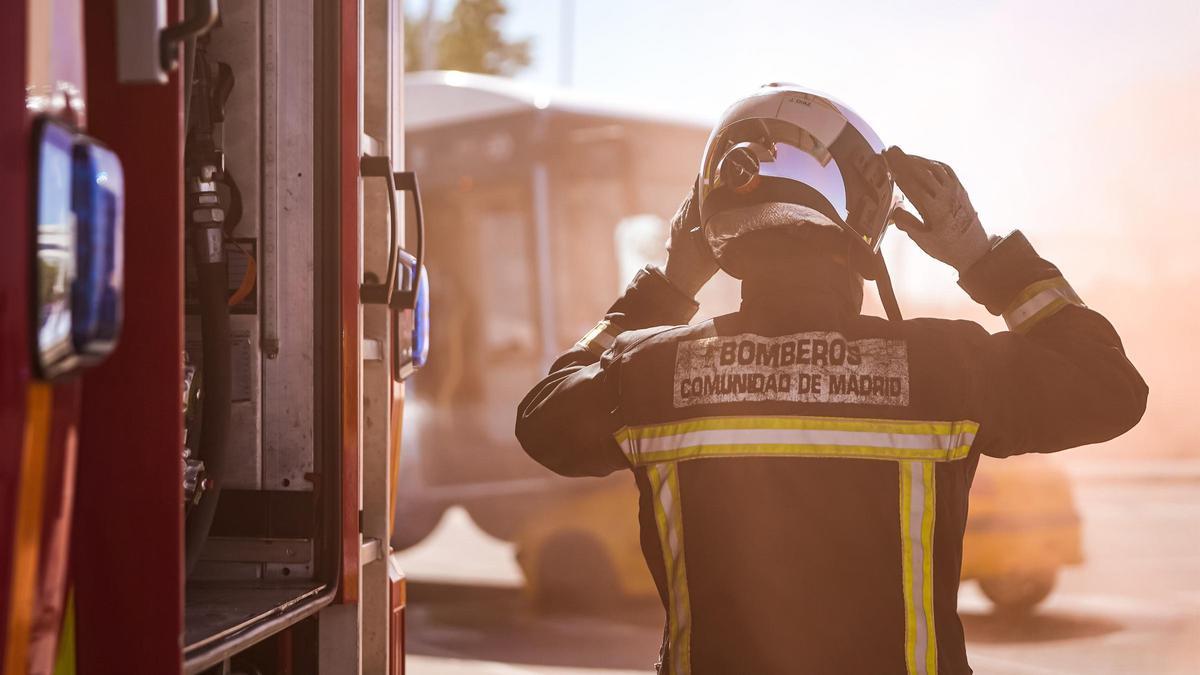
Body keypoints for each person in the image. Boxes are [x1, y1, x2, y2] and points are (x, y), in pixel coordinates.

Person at [514, 83, 1147, 675]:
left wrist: (668, 285)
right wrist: (986, 259)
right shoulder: (946, 366)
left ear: (713, 231)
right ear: (864, 222)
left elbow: (542, 418)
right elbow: (1110, 386)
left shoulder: (649, 373)